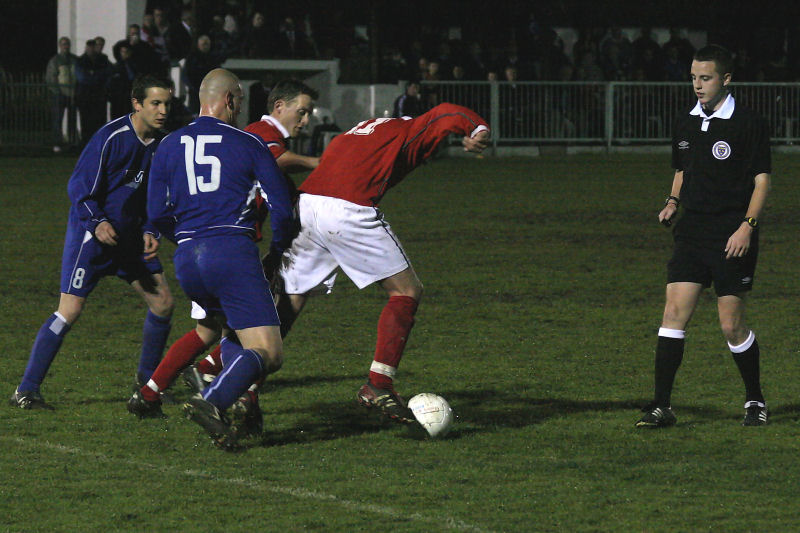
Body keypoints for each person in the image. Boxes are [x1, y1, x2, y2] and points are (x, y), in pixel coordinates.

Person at [266, 103, 490, 423]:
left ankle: (228, 376)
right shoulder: (410, 128)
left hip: (307, 205)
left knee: (289, 300)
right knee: (406, 290)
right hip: (347, 207)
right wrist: (477, 130)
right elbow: (446, 113)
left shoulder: (363, 128)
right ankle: (379, 384)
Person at [132, 79, 321, 433]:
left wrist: (188, 240)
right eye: (240, 100)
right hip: (233, 254)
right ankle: (212, 400)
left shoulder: (167, 145)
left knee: (230, 333)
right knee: (269, 352)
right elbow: (281, 208)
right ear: (230, 100)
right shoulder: (248, 142)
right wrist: (278, 252)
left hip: (188, 259)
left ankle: (239, 409)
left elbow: (156, 214)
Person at [9, 74, 176, 410]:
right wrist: (97, 221)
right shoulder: (111, 137)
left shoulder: (162, 145)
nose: (162, 111)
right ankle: (26, 390)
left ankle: (146, 385)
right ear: (136, 103)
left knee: (163, 304)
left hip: (129, 241)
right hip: (92, 240)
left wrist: (150, 231)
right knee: (69, 310)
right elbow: (79, 188)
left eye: (166, 104)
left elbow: (157, 198)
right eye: (155, 103)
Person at [636, 45, 772, 429]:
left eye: (706, 77)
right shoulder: (685, 122)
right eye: (694, 77)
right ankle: (662, 406)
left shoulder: (748, 123)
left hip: (732, 235)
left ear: (726, 80)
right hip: (691, 233)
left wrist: (748, 226)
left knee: (731, 325)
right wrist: (673, 200)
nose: (697, 85)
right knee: (673, 315)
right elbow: (683, 169)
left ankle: (755, 400)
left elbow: (762, 183)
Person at [75, 39, 111, 145]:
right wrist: (98, 77)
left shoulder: (102, 59)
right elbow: (82, 77)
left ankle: (98, 143)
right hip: (86, 96)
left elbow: (108, 73)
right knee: (86, 121)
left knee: (98, 121)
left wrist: (93, 75)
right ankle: (86, 142)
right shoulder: (81, 61)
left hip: (97, 96)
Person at [46, 36, 79, 151]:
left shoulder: (75, 59)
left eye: (67, 44)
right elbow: (51, 78)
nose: (66, 46)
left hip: (73, 94)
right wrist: (57, 91)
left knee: (72, 119)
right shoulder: (55, 60)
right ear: (60, 46)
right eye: (64, 44)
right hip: (60, 94)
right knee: (57, 119)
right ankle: (57, 143)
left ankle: (72, 142)